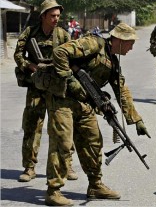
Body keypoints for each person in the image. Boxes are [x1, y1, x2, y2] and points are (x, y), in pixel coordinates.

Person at [41, 22, 150, 205]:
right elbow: (60, 53)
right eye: (130, 43)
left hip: (84, 104)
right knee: (63, 143)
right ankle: (53, 191)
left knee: (93, 141)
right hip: (62, 99)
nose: (132, 47)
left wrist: (136, 119)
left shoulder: (113, 63)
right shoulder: (94, 44)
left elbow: (122, 91)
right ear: (120, 40)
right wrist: (71, 81)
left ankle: (95, 185)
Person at [13, 0, 78, 183]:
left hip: (57, 88)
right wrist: (30, 66)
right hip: (36, 87)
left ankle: (67, 165)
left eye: (58, 15)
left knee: (61, 129)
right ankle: (29, 167)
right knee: (32, 127)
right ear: (43, 16)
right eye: (52, 16)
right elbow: (18, 54)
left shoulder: (63, 35)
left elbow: (73, 57)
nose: (56, 19)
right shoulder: (30, 32)